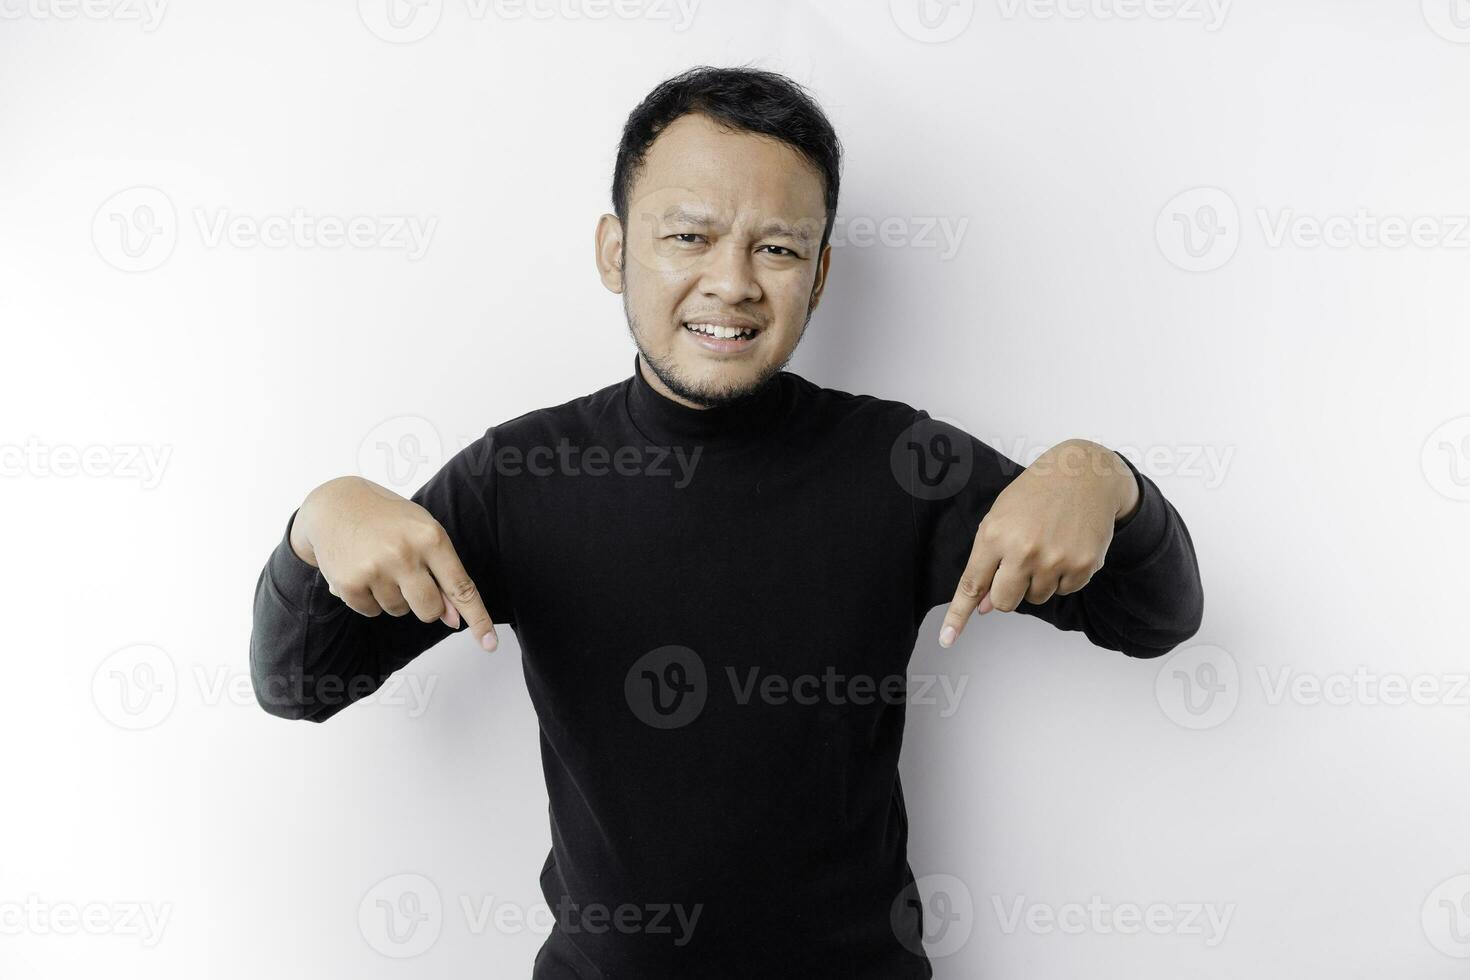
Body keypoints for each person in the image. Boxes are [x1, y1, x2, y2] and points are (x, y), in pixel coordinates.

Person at [249, 65, 1204, 979]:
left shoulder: (902, 466)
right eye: (690, 236)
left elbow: (1157, 619)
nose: (734, 282)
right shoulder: (521, 475)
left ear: (820, 275)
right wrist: (319, 522)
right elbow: (299, 683)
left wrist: (1101, 476)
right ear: (615, 251)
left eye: (778, 248)